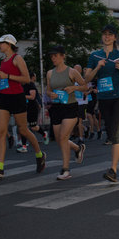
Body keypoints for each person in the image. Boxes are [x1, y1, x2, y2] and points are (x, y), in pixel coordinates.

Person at [0, 34, 46, 178]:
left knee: (23, 130)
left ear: (9, 44)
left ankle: (39, 154)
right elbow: (6, 80)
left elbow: (26, 79)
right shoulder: (3, 61)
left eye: (1, 43)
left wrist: (8, 77)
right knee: (1, 131)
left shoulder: (17, 58)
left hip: (17, 98)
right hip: (4, 98)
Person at [86, 24, 119, 183]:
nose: (107, 37)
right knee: (114, 132)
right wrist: (97, 68)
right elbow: (87, 78)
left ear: (115, 37)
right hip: (103, 98)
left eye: (110, 34)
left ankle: (113, 170)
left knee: (114, 132)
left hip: (118, 98)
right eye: (104, 34)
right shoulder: (95, 56)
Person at [46, 46, 86, 180]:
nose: (53, 58)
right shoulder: (50, 73)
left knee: (63, 137)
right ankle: (77, 149)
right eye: (52, 56)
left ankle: (65, 169)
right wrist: (51, 95)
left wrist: (73, 87)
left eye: (56, 56)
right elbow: (48, 90)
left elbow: (85, 86)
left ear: (63, 56)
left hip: (70, 106)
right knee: (59, 140)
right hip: (57, 107)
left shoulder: (72, 72)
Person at [17, 72, 49, 153]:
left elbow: (32, 97)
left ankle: (44, 134)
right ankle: (24, 146)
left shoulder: (31, 84)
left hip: (32, 107)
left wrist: (22, 96)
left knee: (33, 127)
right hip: (23, 107)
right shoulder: (20, 85)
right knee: (23, 127)